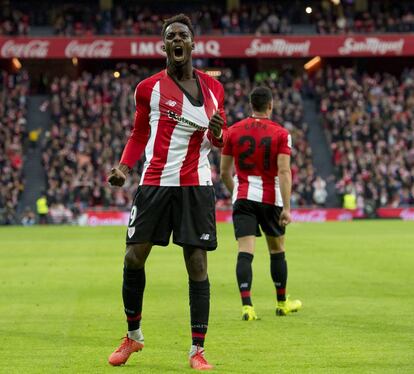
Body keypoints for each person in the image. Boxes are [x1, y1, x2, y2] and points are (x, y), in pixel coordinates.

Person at [107, 14, 226, 371]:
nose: (177, 40)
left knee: (197, 265)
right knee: (132, 258)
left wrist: (220, 133)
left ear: (192, 44)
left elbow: (215, 141)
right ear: (164, 45)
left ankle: (197, 351)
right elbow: (139, 133)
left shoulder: (214, 89)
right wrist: (125, 168)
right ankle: (133, 337)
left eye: (183, 35)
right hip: (155, 182)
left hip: (196, 186)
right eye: (170, 35)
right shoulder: (148, 88)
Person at [220, 86, 301, 321]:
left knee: (245, 251)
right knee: (277, 250)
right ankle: (282, 303)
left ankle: (247, 306)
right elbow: (284, 171)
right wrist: (286, 207)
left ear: (250, 105)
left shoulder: (232, 132)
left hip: (244, 196)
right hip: (271, 197)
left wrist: (238, 193)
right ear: (270, 105)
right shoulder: (281, 133)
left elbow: (225, 172)